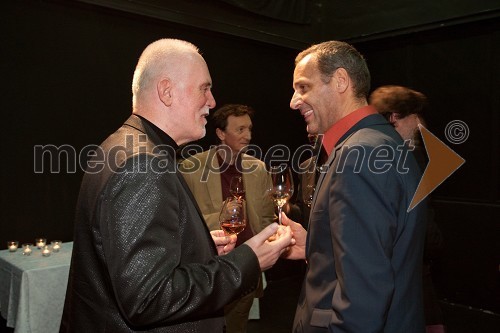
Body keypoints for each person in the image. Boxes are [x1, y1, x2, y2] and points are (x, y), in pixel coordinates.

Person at [59, 38, 293, 333]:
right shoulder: (142, 164)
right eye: (204, 88)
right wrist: (248, 260)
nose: (212, 102)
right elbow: (149, 298)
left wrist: (197, 248)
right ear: (167, 91)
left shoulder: (126, 146)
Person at [283, 40, 427, 332]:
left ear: (340, 81)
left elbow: (365, 293)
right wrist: (315, 245)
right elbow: (376, 252)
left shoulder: (358, 155)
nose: (293, 101)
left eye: (303, 87)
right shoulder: (381, 143)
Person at [179, 104, 275, 332]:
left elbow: (265, 218)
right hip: (209, 271)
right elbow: (183, 221)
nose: (248, 136)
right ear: (221, 134)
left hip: (247, 268)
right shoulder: (191, 168)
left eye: (249, 129)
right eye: (240, 129)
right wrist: (226, 215)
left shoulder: (259, 169)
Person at [370, 85, 446, 333]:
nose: (420, 123)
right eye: (415, 115)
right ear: (394, 118)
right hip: (402, 267)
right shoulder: (396, 157)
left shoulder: (404, 152)